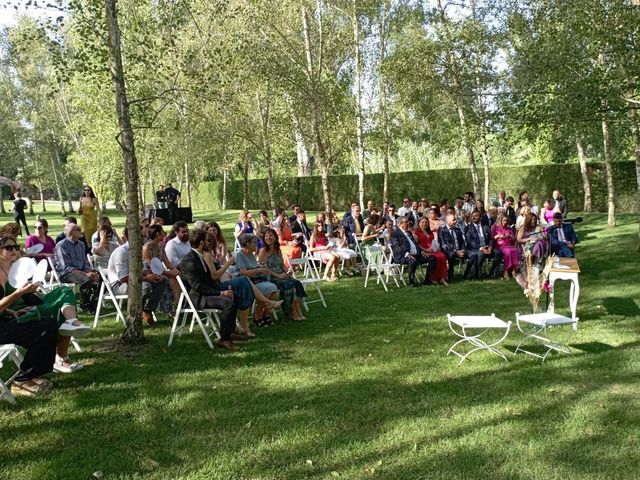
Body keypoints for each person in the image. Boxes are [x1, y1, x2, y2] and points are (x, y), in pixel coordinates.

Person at [0, 235, 90, 380]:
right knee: (52, 321)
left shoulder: (15, 267)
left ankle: (71, 322)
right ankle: (57, 359)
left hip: (26, 306)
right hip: (19, 314)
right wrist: (19, 294)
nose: (13, 250)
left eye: (15, 247)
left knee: (63, 292)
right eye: (8, 247)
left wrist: (28, 291)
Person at [178, 230, 240, 350]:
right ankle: (224, 340)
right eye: (206, 240)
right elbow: (198, 286)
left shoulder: (200, 256)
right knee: (227, 303)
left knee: (234, 296)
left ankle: (230, 332)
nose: (208, 242)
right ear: (201, 242)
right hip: (199, 297)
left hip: (207, 292)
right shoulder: (189, 260)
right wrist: (221, 293)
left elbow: (209, 279)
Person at [108, 228, 168, 326]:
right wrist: (146, 278)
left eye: (144, 236)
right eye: (141, 236)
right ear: (131, 237)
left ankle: (147, 310)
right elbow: (123, 278)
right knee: (145, 286)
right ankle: (135, 315)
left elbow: (143, 271)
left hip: (135, 280)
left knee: (163, 280)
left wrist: (153, 275)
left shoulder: (137, 250)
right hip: (119, 285)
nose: (144, 239)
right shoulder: (122, 252)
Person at [258, 228, 307, 320]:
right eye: (266, 236)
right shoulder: (263, 251)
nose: (269, 237)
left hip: (281, 275)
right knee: (289, 284)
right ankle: (291, 311)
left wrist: (287, 271)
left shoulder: (277, 250)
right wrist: (278, 276)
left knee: (297, 283)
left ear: (275, 237)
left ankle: (298, 310)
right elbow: (264, 268)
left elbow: (282, 265)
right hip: (270, 277)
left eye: (271, 235)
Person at [235, 234, 281, 326]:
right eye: (254, 242)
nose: (256, 244)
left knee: (273, 288)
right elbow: (243, 272)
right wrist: (258, 270)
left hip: (257, 279)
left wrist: (261, 267)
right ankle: (258, 315)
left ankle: (266, 314)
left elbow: (253, 268)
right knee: (269, 289)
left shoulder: (251, 254)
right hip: (248, 283)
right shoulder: (240, 255)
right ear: (247, 243)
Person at [55, 223, 100, 310]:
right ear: (71, 232)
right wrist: (85, 274)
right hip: (67, 274)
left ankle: (94, 301)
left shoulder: (81, 244)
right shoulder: (61, 245)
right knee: (85, 279)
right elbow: (66, 267)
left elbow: (84, 262)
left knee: (99, 276)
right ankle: (86, 305)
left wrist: (89, 271)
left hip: (80, 272)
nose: (81, 231)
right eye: (78, 229)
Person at [143, 224, 181, 313]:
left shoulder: (160, 246)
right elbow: (151, 267)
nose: (164, 234)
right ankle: (175, 306)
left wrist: (175, 270)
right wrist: (168, 273)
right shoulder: (147, 248)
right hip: (148, 273)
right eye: (162, 232)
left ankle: (177, 304)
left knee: (175, 276)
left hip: (160, 272)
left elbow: (168, 264)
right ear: (157, 234)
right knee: (169, 278)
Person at [390, 216, 435, 287]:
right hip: (402, 256)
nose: (408, 223)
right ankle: (411, 282)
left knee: (432, 258)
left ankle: (427, 280)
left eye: (408, 222)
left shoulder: (409, 233)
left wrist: (421, 251)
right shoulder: (395, 233)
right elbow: (397, 247)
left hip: (415, 255)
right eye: (406, 222)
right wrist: (407, 254)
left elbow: (415, 244)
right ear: (400, 224)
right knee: (412, 261)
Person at [464, 210, 501, 279]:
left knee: (498, 253)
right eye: (472, 216)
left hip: (487, 247)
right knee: (481, 254)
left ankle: (492, 274)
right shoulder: (468, 228)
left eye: (476, 216)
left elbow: (491, 239)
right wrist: (481, 248)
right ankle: (476, 274)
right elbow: (470, 242)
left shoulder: (486, 227)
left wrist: (490, 247)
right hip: (475, 248)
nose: (473, 217)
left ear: (480, 218)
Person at [413, 217, 448, 286]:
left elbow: (432, 242)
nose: (424, 224)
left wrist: (435, 247)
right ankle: (432, 278)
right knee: (435, 258)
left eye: (426, 222)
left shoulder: (429, 231)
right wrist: (424, 250)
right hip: (423, 250)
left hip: (432, 249)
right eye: (422, 222)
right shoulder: (416, 232)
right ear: (419, 223)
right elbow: (416, 244)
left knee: (442, 256)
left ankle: (441, 277)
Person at [438, 214, 468, 282]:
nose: (455, 221)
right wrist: (455, 251)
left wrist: (463, 250)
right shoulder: (442, 230)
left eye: (455, 220)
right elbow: (443, 244)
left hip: (460, 250)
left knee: (473, 255)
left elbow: (462, 241)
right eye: (453, 220)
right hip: (449, 251)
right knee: (451, 255)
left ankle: (468, 273)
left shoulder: (457, 230)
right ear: (447, 221)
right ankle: (450, 274)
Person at [491, 213, 520, 279]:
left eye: (506, 220)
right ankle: (506, 270)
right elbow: (492, 238)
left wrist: (510, 236)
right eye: (504, 220)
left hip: (509, 245)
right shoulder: (495, 227)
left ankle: (513, 269)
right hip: (500, 246)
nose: (505, 222)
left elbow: (514, 239)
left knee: (515, 250)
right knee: (508, 251)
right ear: (500, 220)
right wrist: (498, 236)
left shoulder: (509, 228)